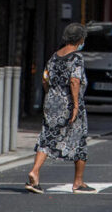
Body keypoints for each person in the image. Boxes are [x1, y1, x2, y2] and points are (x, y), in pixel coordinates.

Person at [25, 22, 96, 194]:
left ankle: (34, 172)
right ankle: (78, 183)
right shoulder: (76, 58)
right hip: (69, 103)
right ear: (80, 39)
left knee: (47, 137)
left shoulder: (54, 56)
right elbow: (74, 81)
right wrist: (75, 105)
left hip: (52, 101)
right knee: (79, 139)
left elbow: (44, 79)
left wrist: (51, 96)